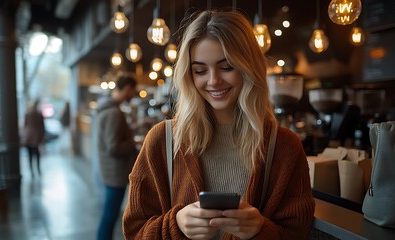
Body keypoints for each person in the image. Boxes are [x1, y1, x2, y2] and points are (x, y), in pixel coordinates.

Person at [123, 9, 315, 240]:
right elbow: (134, 232)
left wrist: (260, 230)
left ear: (248, 68)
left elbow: (298, 234)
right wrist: (176, 224)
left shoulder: (284, 147)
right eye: (200, 70)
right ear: (189, 75)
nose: (213, 81)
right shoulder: (162, 140)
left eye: (226, 67)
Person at [96, 75, 138, 240]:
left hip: (110, 171)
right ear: (128, 88)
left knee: (109, 215)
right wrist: (133, 142)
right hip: (116, 173)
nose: (134, 94)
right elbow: (114, 147)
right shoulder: (114, 112)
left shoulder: (108, 109)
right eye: (133, 90)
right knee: (110, 216)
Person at [22, 99, 45, 177]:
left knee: (31, 155)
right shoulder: (36, 115)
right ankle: (36, 170)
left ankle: (33, 171)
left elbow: (25, 127)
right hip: (34, 137)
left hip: (30, 137)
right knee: (35, 155)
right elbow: (42, 127)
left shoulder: (29, 114)